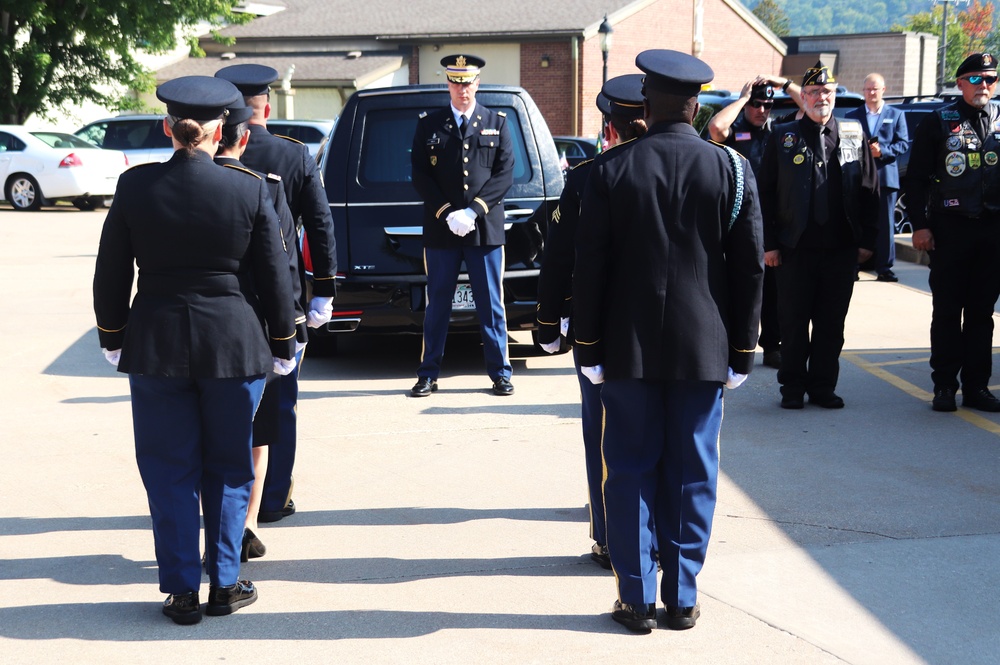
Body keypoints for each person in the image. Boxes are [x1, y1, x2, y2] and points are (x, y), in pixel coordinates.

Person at [93, 75, 297, 624]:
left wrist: (113, 336)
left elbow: (111, 271)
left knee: (168, 469)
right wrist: (285, 342)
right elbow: (275, 277)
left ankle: (182, 590)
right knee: (230, 468)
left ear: (169, 128)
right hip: (233, 345)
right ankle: (225, 585)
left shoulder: (135, 187)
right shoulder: (249, 187)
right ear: (222, 131)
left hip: (156, 344)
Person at [573, 49, 764, 632]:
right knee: (693, 472)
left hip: (626, 349)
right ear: (694, 103)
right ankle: (681, 595)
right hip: (704, 347)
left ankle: (635, 598)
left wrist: (587, 349)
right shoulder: (731, 169)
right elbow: (749, 267)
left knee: (629, 469)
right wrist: (743, 350)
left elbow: (591, 269)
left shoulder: (609, 171)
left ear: (646, 105)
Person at [215, 63, 339, 524]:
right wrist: (323, 289)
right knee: (280, 402)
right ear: (266, 106)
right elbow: (320, 225)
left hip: (228, 294)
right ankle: (273, 497)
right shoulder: (293, 154)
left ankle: (229, 499)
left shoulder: (212, 152)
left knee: (225, 404)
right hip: (283, 298)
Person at [536, 74, 648, 570]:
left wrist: (547, 319)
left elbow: (559, 256)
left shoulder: (586, 178)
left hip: (601, 329)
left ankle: (608, 536)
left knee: (604, 436)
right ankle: (658, 539)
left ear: (611, 127)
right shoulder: (706, 165)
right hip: (675, 332)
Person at [214, 96, 308, 561]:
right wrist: (288, 333)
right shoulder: (263, 186)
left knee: (207, 436)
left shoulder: (150, 184)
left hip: (194, 335)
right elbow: (278, 267)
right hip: (253, 328)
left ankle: (221, 528)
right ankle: (246, 523)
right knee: (259, 432)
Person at [757, 62, 879, 410]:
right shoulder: (783, 136)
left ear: (835, 95)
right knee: (793, 323)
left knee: (831, 325)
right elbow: (765, 193)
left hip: (841, 250)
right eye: (813, 92)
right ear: (803, 98)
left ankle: (824, 387)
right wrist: (770, 244)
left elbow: (871, 190)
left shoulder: (854, 133)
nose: (820, 97)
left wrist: (868, 241)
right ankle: (793, 387)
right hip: (796, 249)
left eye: (827, 91)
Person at [409, 54, 516, 397]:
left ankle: (500, 373)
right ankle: (428, 374)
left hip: (484, 230)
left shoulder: (496, 122)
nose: (462, 90)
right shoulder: (429, 124)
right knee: (438, 304)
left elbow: (504, 174)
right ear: (448, 85)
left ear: (477, 84)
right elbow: (421, 175)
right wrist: (446, 212)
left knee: (490, 304)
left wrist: (473, 212)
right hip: (442, 231)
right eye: (456, 83)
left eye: (468, 83)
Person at [907, 53, 1000, 412]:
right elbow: (916, 179)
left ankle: (977, 387)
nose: (985, 86)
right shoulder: (939, 121)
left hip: (992, 230)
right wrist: (921, 225)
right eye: (977, 79)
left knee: (981, 313)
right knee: (947, 311)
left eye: (991, 79)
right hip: (950, 230)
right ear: (960, 83)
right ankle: (944, 385)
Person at [708, 75, 801, 369]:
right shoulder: (736, 130)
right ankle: (732, 342)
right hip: (737, 220)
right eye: (757, 104)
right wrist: (742, 99)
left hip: (772, 220)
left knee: (773, 290)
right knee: (737, 284)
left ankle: (772, 346)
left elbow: (808, 105)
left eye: (768, 105)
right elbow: (715, 128)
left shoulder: (779, 130)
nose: (762, 110)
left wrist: (783, 82)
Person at [846, 72, 910, 282]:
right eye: (868, 89)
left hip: (885, 178)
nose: (871, 92)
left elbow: (903, 144)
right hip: (858, 179)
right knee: (856, 223)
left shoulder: (896, 115)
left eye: (875, 89)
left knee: (885, 225)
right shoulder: (851, 116)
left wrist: (881, 151)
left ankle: (884, 268)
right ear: (863, 91)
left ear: (884, 90)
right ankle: (853, 265)